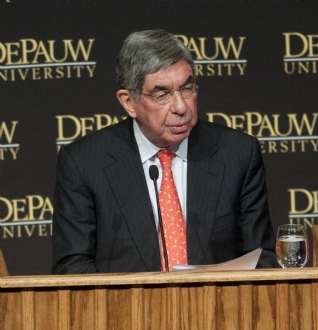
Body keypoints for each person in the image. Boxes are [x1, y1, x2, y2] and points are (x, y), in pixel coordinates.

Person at [52, 29, 278, 274]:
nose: (181, 107)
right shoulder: (84, 163)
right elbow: (73, 269)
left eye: (187, 88)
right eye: (162, 95)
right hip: (127, 311)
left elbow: (261, 258)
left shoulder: (237, 153)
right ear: (129, 102)